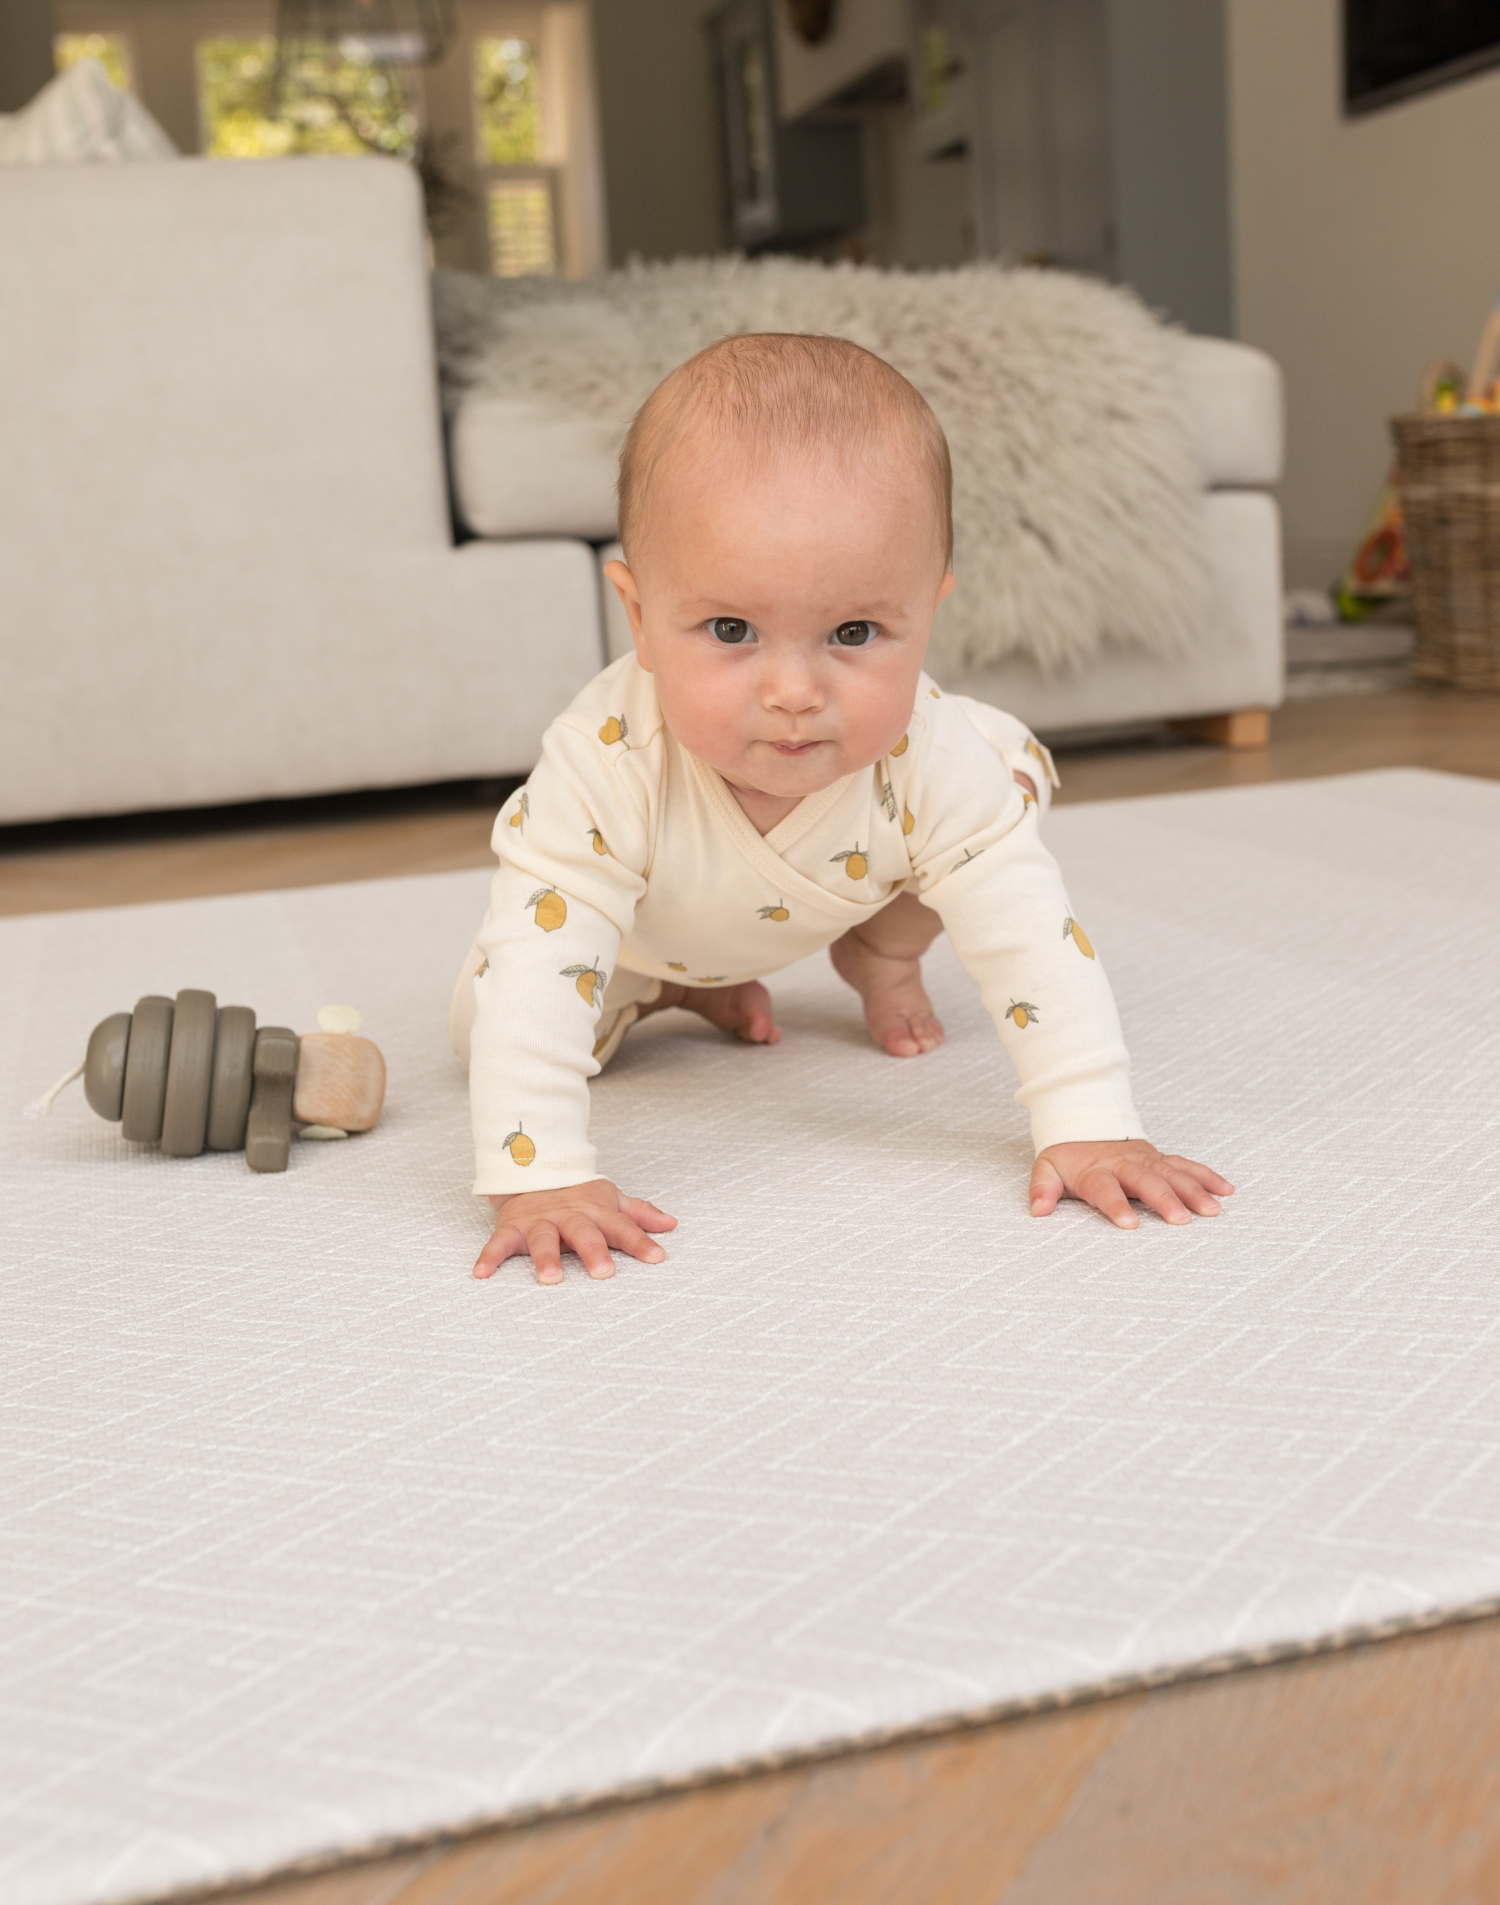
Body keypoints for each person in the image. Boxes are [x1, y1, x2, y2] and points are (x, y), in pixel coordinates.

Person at [452, 334, 1232, 1285]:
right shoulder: (605, 765)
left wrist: (1091, 1124)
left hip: (853, 877)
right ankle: (674, 985)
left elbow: (1031, 933)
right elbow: (542, 968)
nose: (793, 690)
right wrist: (543, 1179)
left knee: (1005, 776)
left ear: (928, 614)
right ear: (639, 615)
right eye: (731, 629)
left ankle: (884, 946)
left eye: (854, 632)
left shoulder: (928, 752)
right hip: (633, 937)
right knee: (490, 1018)